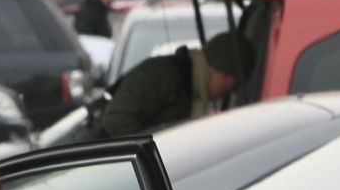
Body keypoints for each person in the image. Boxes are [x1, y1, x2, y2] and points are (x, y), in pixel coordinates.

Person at [99, 32, 254, 138]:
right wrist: (150, 159)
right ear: (221, 72)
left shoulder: (191, 85)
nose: (230, 92)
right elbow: (116, 119)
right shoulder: (165, 74)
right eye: (234, 84)